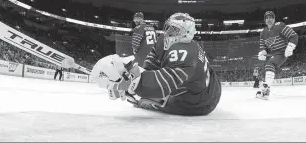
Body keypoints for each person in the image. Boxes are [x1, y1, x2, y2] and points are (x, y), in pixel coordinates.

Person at [91, 13, 221, 116]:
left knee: (160, 100)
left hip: (203, 102)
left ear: (186, 33)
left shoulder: (186, 52)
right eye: (169, 27)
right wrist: (136, 75)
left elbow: (163, 83)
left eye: (175, 29)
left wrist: (133, 83)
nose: (169, 31)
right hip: (208, 83)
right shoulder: (164, 39)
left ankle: (158, 103)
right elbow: (151, 65)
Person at [256, 11, 298, 99]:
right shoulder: (263, 32)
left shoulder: (280, 26)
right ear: (264, 20)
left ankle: (266, 89)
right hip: (271, 54)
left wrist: (290, 46)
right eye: (267, 18)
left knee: (270, 64)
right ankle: (265, 89)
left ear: (274, 19)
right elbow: (263, 47)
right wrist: (262, 53)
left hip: (281, 53)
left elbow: (294, 36)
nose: (269, 19)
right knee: (263, 70)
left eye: (271, 17)